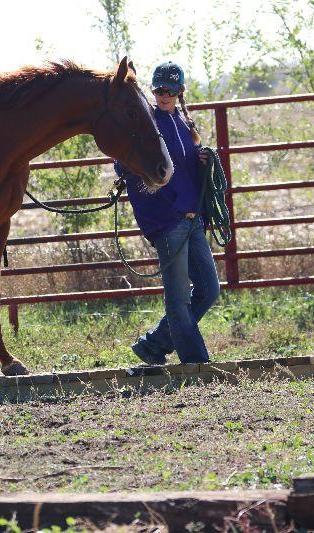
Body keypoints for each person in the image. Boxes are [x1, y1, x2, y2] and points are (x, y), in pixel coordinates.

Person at [114, 61, 221, 365]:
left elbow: (186, 168)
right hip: (167, 219)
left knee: (209, 290)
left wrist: (202, 160)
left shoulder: (185, 125)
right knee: (179, 298)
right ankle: (196, 362)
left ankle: (154, 345)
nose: (163, 95)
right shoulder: (146, 122)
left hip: (193, 217)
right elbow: (123, 163)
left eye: (170, 91)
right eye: (159, 90)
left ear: (180, 92)